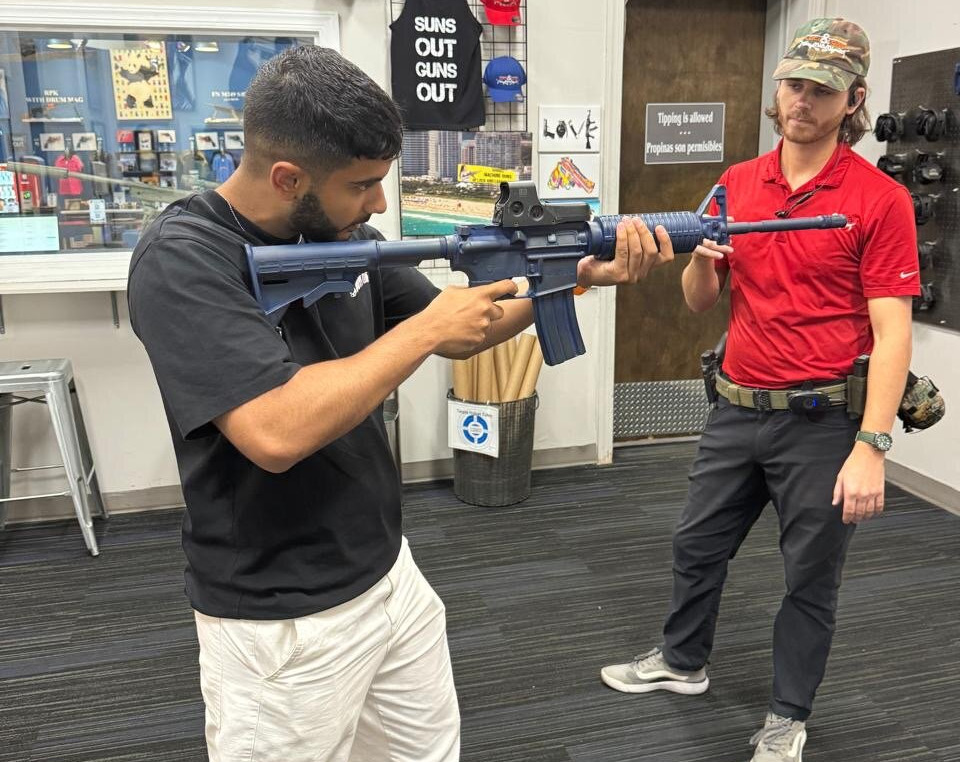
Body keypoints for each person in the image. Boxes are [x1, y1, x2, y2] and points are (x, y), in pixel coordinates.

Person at [127, 44, 674, 762]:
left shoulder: (342, 233)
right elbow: (273, 428)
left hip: (387, 574)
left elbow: (462, 331)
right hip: (279, 617)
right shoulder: (184, 257)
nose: (380, 204)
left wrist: (573, 278)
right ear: (289, 177)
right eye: (363, 186)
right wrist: (425, 330)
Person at [600, 18, 919, 762]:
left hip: (823, 421)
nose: (801, 101)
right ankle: (683, 662)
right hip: (736, 409)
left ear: (853, 101)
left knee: (809, 577)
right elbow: (698, 301)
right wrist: (705, 261)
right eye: (793, 84)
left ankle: (787, 716)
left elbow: (894, 334)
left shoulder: (878, 200)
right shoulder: (738, 184)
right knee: (695, 544)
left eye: (821, 91)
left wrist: (872, 444)